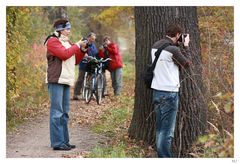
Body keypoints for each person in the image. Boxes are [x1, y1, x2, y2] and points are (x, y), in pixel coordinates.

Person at [44, 19, 87, 150]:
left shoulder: (67, 42)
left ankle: (64, 141)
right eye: (67, 28)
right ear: (60, 29)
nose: (69, 31)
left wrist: (82, 50)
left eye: (69, 28)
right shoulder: (52, 41)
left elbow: (74, 60)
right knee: (57, 112)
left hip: (66, 80)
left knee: (65, 113)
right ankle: (57, 143)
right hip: (56, 80)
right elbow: (64, 55)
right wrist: (77, 45)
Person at [151, 24, 191, 157]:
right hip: (169, 93)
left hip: (157, 90)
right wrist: (185, 46)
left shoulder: (156, 45)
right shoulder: (173, 50)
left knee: (160, 128)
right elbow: (186, 64)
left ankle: (160, 155)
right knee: (167, 131)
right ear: (178, 35)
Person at [72, 32, 98, 100]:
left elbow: (95, 53)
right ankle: (76, 94)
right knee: (80, 79)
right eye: (92, 38)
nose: (93, 40)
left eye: (94, 39)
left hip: (91, 64)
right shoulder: (83, 42)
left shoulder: (93, 45)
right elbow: (79, 50)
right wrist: (84, 55)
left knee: (90, 79)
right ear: (88, 37)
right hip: (83, 63)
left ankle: (89, 94)